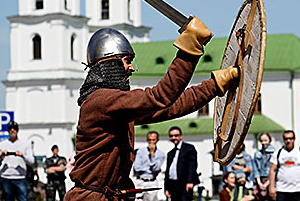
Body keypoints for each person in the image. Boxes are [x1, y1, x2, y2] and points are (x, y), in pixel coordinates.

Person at [66, 17, 239, 201]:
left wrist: (215, 85)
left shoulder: (117, 109)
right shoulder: (101, 101)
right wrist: (189, 49)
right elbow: (159, 96)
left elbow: (172, 106)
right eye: (127, 61)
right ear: (109, 64)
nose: (131, 68)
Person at [268, 130, 300, 201]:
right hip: (282, 189)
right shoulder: (278, 153)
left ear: (294, 139)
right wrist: (271, 187)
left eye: (291, 138)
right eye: (286, 139)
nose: (288, 141)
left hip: (298, 189)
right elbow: (272, 170)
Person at [0, 121, 35, 201]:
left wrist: (22, 156)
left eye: (14, 128)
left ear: (17, 130)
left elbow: (32, 161)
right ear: (8, 131)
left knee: (23, 199)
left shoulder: (25, 144)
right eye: (10, 129)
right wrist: (1, 155)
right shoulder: (1, 145)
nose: (12, 130)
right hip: (5, 177)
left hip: (20, 177)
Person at [165, 126, 200, 201]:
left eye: (176, 135)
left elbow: (192, 165)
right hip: (173, 185)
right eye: (171, 136)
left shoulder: (189, 148)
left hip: (184, 184)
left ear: (181, 136)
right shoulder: (170, 153)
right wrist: (166, 188)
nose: (174, 137)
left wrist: (190, 181)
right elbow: (167, 171)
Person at [133, 131, 165, 201]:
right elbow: (137, 167)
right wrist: (149, 169)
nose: (151, 142)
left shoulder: (161, 154)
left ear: (157, 140)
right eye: (149, 140)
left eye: (153, 140)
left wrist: (152, 155)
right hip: (140, 181)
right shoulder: (140, 151)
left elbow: (155, 169)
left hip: (152, 182)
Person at [253, 132, 275, 200]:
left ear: (269, 140)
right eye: (261, 141)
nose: (263, 142)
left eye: (265, 140)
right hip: (260, 180)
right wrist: (259, 182)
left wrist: (267, 183)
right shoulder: (258, 153)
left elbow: (275, 169)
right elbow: (255, 168)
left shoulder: (274, 153)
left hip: (271, 180)